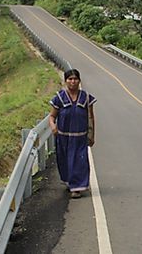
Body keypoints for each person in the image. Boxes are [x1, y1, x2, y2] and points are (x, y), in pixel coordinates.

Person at [48, 68, 96, 199]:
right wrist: (53, 127)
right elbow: (52, 116)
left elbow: (90, 117)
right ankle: (70, 182)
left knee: (80, 162)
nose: (73, 82)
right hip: (63, 137)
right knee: (64, 161)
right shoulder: (59, 98)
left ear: (79, 81)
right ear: (65, 81)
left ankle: (77, 187)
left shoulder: (85, 97)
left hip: (80, 137)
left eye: (75, 79)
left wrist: (91, 135)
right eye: (70, 79)